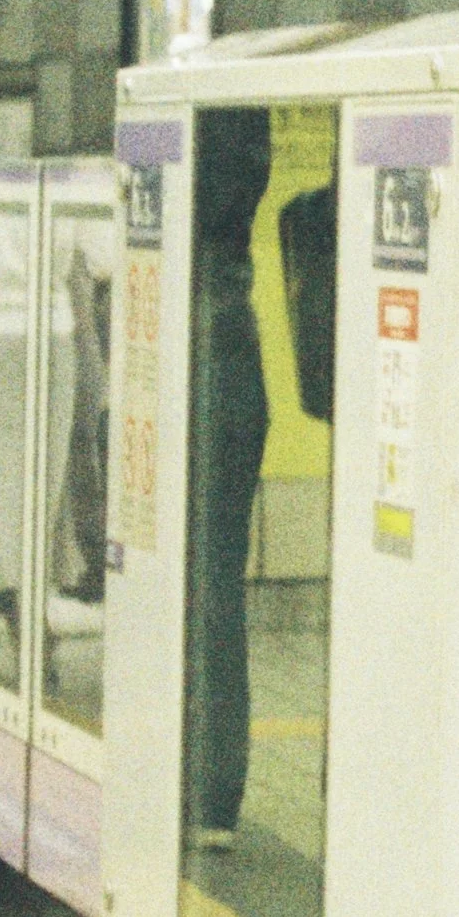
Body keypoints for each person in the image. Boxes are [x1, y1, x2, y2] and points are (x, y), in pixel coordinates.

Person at [185, 108, 273, 846]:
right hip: (238, 369)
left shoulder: (209, 149)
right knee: (215, 588)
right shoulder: (248, 144)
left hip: (206, 369)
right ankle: (212, 794)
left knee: (201, 586)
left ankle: (204, 788)